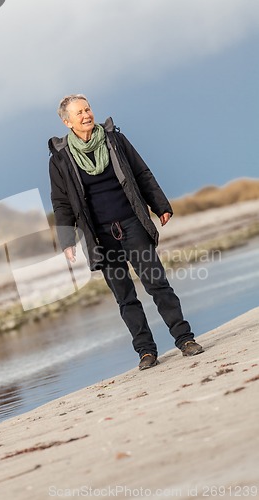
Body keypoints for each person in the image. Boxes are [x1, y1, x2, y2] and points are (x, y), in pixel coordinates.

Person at [49, 94, 204, 370]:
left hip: (132, 224)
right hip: (99, 236)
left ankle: (184, 339)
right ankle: (146, 352)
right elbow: (61, 202)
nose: (86, 115)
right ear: (66, 121)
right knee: (125, 297)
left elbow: (141, 172)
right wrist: (67, 239)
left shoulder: (114, 139)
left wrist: (160, 205)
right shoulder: (60, 159)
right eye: (79, 113)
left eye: (88, 109)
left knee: (157, 284)